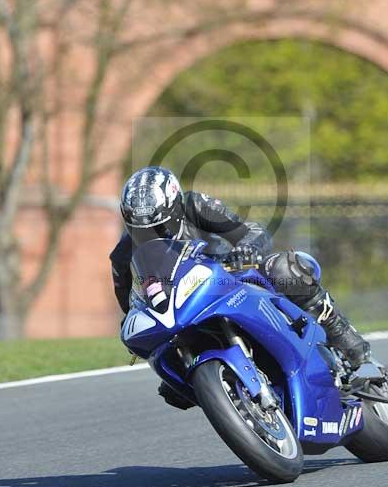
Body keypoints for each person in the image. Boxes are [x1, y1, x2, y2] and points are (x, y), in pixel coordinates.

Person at [110, 166, 370, 409]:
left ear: (174, 208)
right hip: (185, 305)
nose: (152, 234)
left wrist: (246, 249)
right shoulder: (124, 252)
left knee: (285, 270)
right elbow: (127, 297)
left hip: (230, 278)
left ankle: (342, 336)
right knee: (169, 375)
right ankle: (213, 387)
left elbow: (251, 232)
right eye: (141, 229)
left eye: (158, 226)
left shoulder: (196, 205)